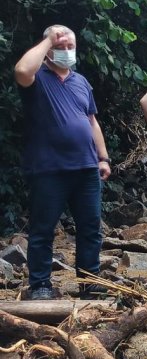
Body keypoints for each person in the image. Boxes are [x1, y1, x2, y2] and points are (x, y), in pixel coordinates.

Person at [14, 24, 111, 300]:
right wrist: (48, 40)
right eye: (60, 47)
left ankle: (89, 283)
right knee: (43, 229)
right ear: (47, 51)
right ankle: (41, 285)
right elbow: (21, 70)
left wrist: (102, 157)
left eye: (70, 46)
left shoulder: (81, 82)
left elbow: (92, 121)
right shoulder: (38, 78)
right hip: (49, 169)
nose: (66, 51)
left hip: (86, 167)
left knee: (91, 228)